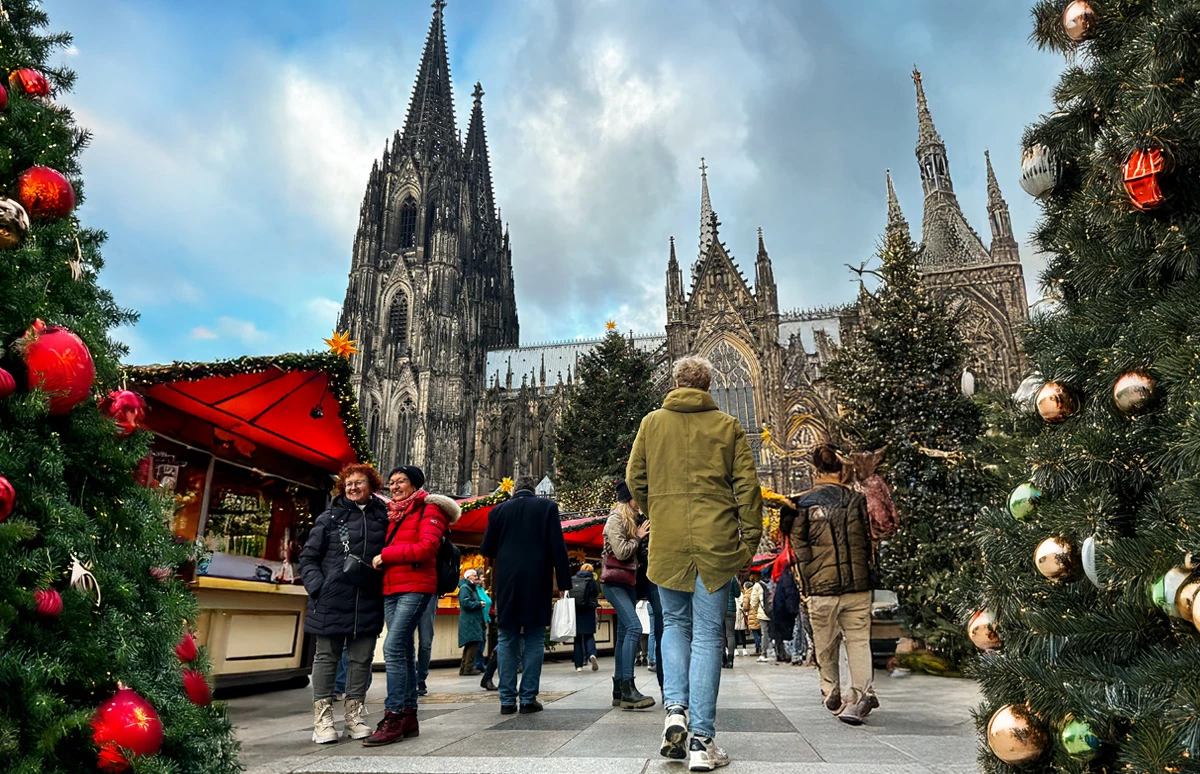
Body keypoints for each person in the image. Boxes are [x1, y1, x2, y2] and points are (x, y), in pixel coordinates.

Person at [627, 355, 763, 771]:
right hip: (716, 543)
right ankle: (702, 741)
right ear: (708, 386)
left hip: (668, 544)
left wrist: (661, 511)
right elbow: (748, 487)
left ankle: (675, 712)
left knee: (674, 626)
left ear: (675, 383)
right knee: (706, 636)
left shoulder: (652, 423)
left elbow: (635, 479)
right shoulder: (727, 426)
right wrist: (750, 540)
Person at [363, 466, 461, 746]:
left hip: (417, 587)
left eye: (401, 481)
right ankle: (408, 716)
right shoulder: (394, 513)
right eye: (391, 482)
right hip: (392, 587)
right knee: (404, 651)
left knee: (393, 648)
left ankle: (392, 716)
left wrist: (386, 555)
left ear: (415, 484)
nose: (394, 487)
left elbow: (426, 548)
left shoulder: (430, 510)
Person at [782, 444, 875, 725]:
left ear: (816, 469)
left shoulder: (801, 503)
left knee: (825, 642)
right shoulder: (857, 500)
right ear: (841, 467)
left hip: (821, 588)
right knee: (858, 640)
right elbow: (867, 541)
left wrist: (808, 579)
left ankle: (830, 688)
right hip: (858, 586)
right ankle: (859, 694)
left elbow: (799, 548)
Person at [299, 463, 389, 744]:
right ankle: (323, 720)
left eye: (358, 482)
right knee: (327, 657)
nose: (352, 487)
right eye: (348, 483)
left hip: (367, 599)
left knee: (361, 659)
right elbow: (308, 558)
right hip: (331, 599)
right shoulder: (329, 518)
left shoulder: (383, 518)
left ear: (371, 486)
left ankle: (354, 716)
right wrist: (318, 587)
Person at [480, 476, 571, 715]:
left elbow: (487, 548)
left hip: (507, 583)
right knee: (534, 638)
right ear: (533, 491)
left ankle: (507, 700)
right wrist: (563, 583)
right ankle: (529, 698)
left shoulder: (498, 511)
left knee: (507, 639)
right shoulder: (547, 508)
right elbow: (558, 548)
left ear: (515, 491)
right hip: (537, 582)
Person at [602, 482, 656, 710]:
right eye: (636, 498)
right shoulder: (616, 519)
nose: (639, 503)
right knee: (634, 627)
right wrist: (638, 537)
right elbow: (621, 551)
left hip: (628, 582)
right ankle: (628, 688)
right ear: (627, 499)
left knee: (624, 634)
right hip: (614, 582)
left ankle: (618, 689)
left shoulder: (631, 519)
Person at [571, 563, 600, 672]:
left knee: (577, 638)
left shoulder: (573, 579)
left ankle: (578, 665)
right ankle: (592, 654)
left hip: (576, 610)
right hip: (589, 610)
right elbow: (596, 593)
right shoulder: (591, 580)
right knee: (589, 635)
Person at [457, 569, 486, 675]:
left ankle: (464, 667)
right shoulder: (466, 588)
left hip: (471, 620)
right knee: (473, 643)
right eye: (474, 576)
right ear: (468, 577)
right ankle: (468, 668)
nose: (476, 578)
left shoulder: (468, 587)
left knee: (470, 644)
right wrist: (479, 604)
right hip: (470, 621)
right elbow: (465, 603)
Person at [751, 577, 773, 663]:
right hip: (775, 612)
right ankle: (779, 652)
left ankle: (764, 653)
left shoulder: (757, 585)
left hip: (763, 613)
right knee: (776, 632)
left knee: (765, 634)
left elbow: (753, 602)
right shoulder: (773, 581)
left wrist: (758, 610)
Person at [722, 578, 741, 669]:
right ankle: (730, 660)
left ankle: (723, 659)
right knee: (730, 635)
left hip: (719, 609)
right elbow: (738, 594)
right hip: (731, 609)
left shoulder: (717, 575)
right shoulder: (732, 578)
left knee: (721, 635)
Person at [742, 580, 762, 655]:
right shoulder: (756, 590)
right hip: (759, 613)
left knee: (755, 633)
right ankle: (762, 648)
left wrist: (743, 608)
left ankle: (757, 648)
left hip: (752, 615)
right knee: (760, 632)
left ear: (746, 587)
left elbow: (745, 606)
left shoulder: (747, 594)